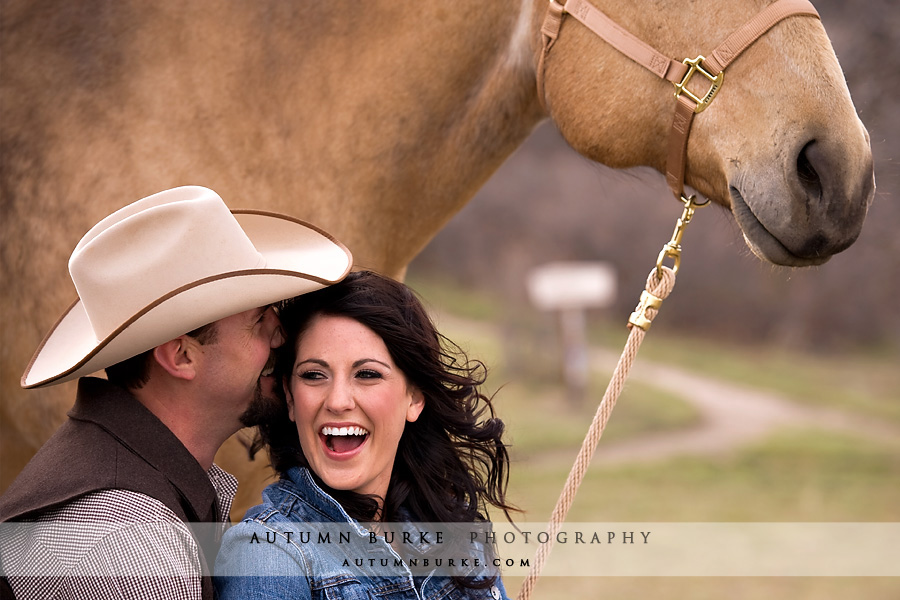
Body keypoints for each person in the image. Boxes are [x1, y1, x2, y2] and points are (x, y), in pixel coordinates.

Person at [0, 186, 352, 600]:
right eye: (258, 320)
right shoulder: (133, 545)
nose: (279, 333)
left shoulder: (121, 480)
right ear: (182, 356)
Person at [214, 270, 516, 600]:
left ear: (414, 398)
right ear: (289, 397)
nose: (338, 401)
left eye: (367, 374)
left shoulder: (456, 532)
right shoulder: (268, 554)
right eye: (314, 375)